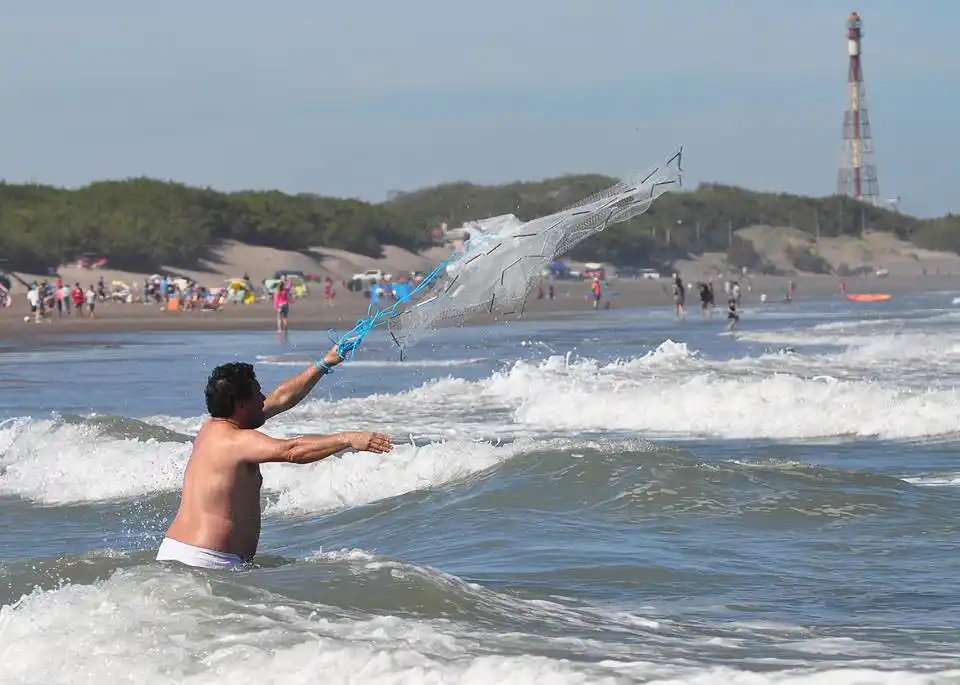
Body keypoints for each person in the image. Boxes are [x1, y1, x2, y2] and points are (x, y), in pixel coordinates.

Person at [156, 347, 393, 569]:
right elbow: (292, 450)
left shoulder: (211, 429)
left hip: (176, 552)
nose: (263, 398)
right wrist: (348, 439)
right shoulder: (237, 441)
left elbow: (280, 398)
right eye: (257, 392)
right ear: (240, 404)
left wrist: (325, 363)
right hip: (208, 562)